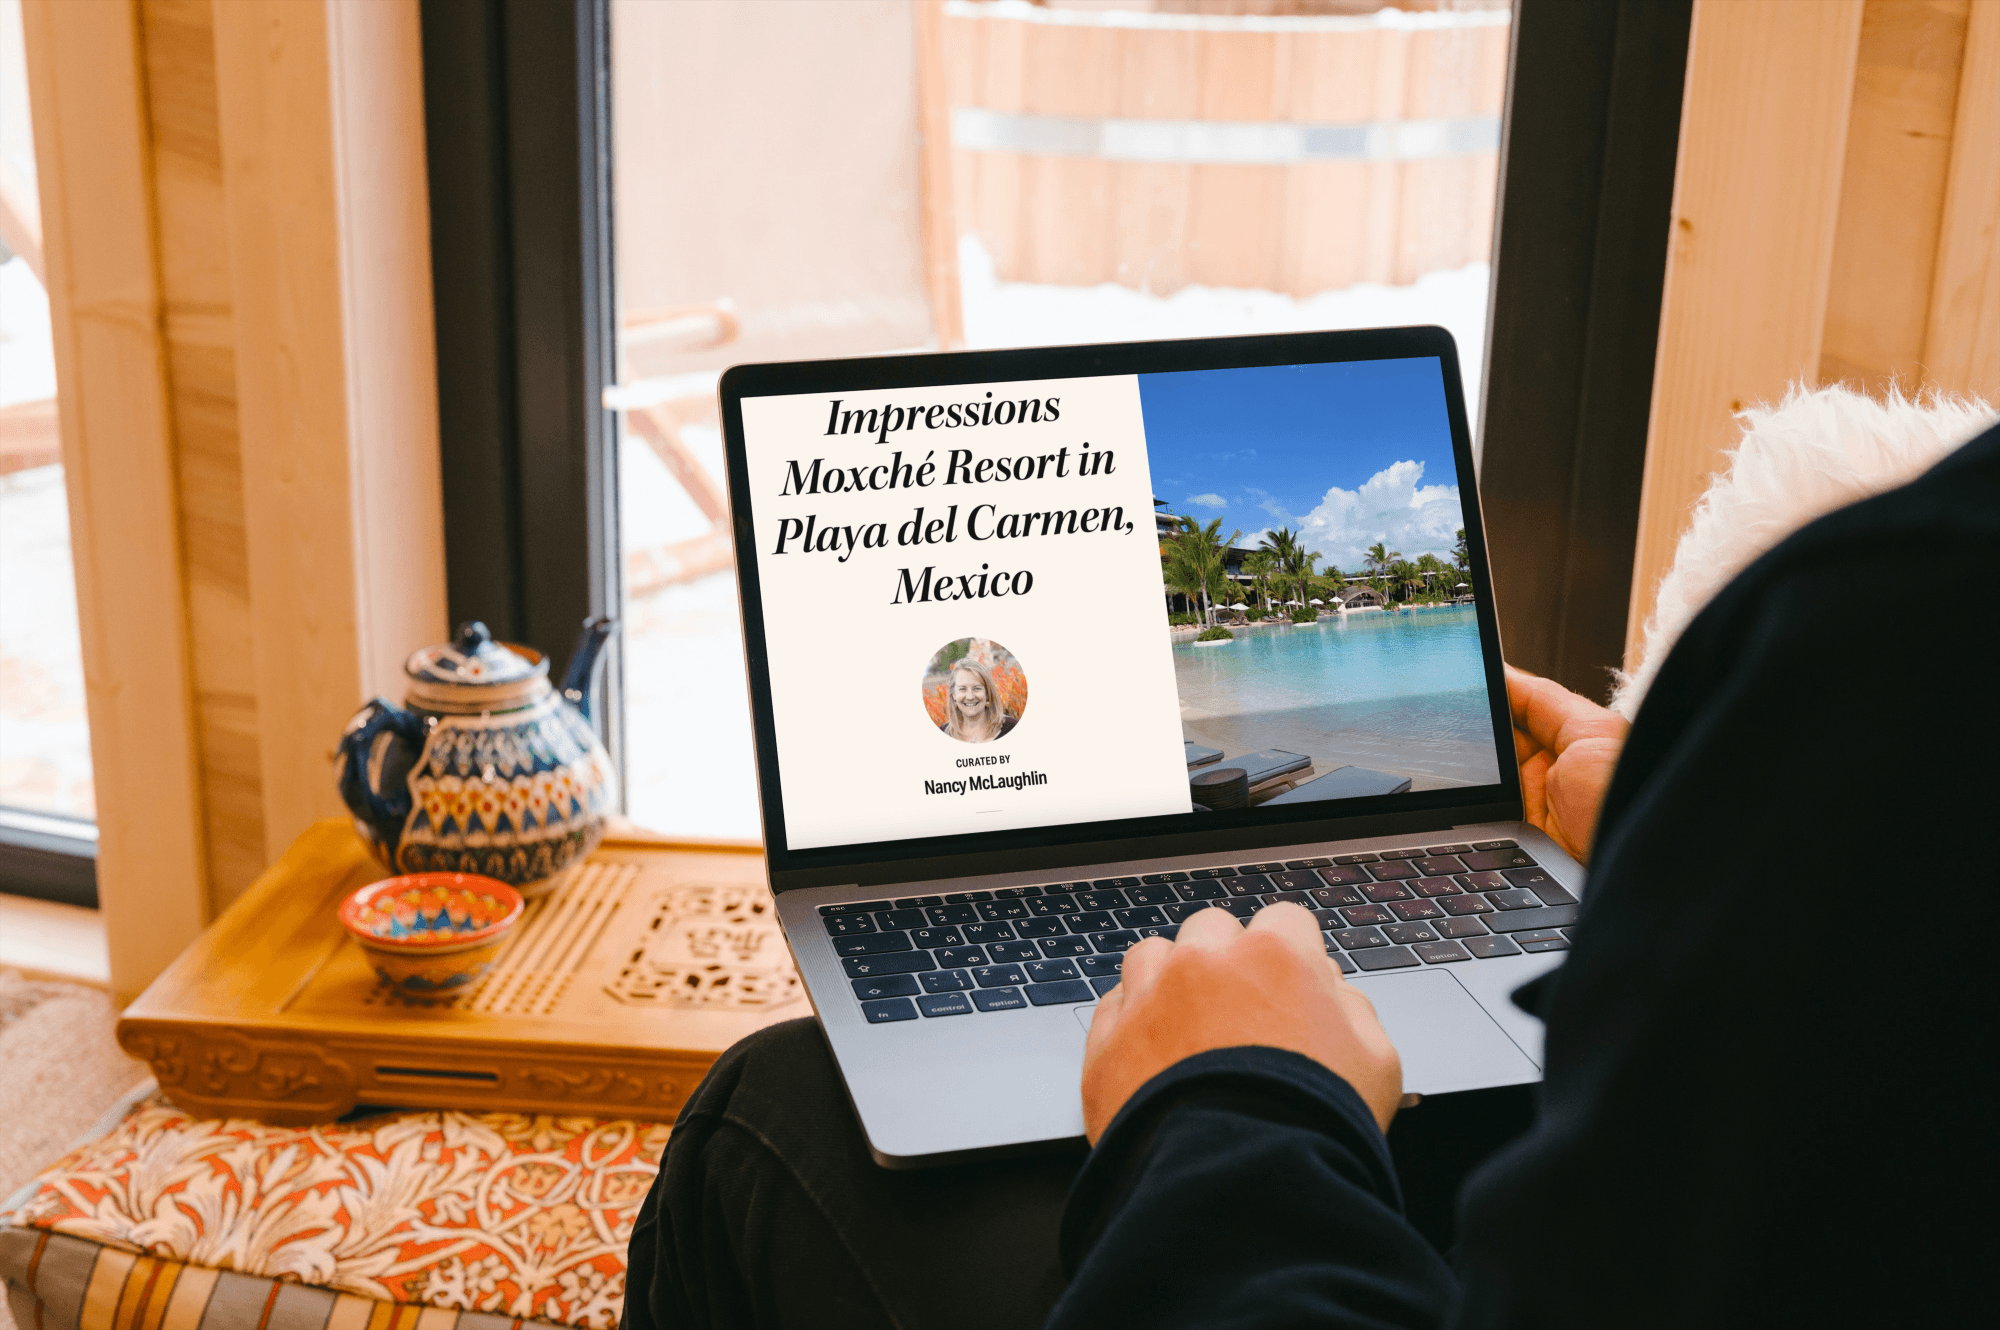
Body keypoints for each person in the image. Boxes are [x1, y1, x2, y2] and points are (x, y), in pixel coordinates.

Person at [624, 424, 1996, 1329]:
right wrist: (1672, 824)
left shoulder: (1912, 607)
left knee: (773, 1106)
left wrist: (1231, 1100)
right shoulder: (1919, 622)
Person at [939, 657, 1017, 743]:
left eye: (977, 688)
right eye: (962, 689)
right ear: (953, 695)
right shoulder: (942, 734)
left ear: (987, 693)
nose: (970, 697)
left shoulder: (1012, 728)